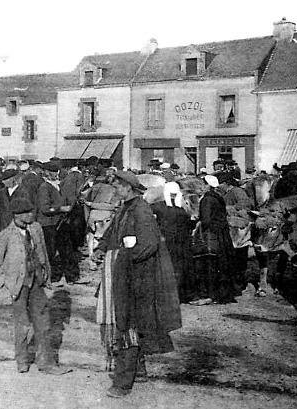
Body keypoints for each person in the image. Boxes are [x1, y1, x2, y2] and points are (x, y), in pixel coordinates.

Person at [95, 170, 182, 398]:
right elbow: (112, 232)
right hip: (125, 273)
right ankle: (139, 371)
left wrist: (125, 255)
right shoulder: (126, 208)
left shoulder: (141, 210)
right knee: (131, 325)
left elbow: (149, 245)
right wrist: (101, 248)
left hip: (136, 277)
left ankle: (123, 384)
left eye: (116, 187)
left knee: (126, 326)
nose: (113, 190)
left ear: (128, 188)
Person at [0, 197, 71, 376]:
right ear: (17, 215)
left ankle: (46, 363)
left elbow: (43, 253)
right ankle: (22, 361)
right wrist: (5, 283)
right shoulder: (6, 235)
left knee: (43, 323)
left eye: (31, 211)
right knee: (22, 324)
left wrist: (45, 272)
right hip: (18, 287)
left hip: (37, 284)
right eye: (28, 212)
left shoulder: (36, 228)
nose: (32, 215)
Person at [191, 174, 239, 305]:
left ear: (207, 185)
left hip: (212, 234)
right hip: (221, 234)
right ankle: (219, 294)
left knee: (208, 264)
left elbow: (206, 220)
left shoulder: (207, 199)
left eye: (202, 185)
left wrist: (196, 220)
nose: (200, 188)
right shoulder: (217, 197)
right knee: (220, 264)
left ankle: (209, 294)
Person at [150, 182, 194, 303]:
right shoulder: (182, 209)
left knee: (164, 267)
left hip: (164, 241)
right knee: (179, 267)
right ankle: (179, 294)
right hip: (181, 242)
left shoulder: (158, 206)